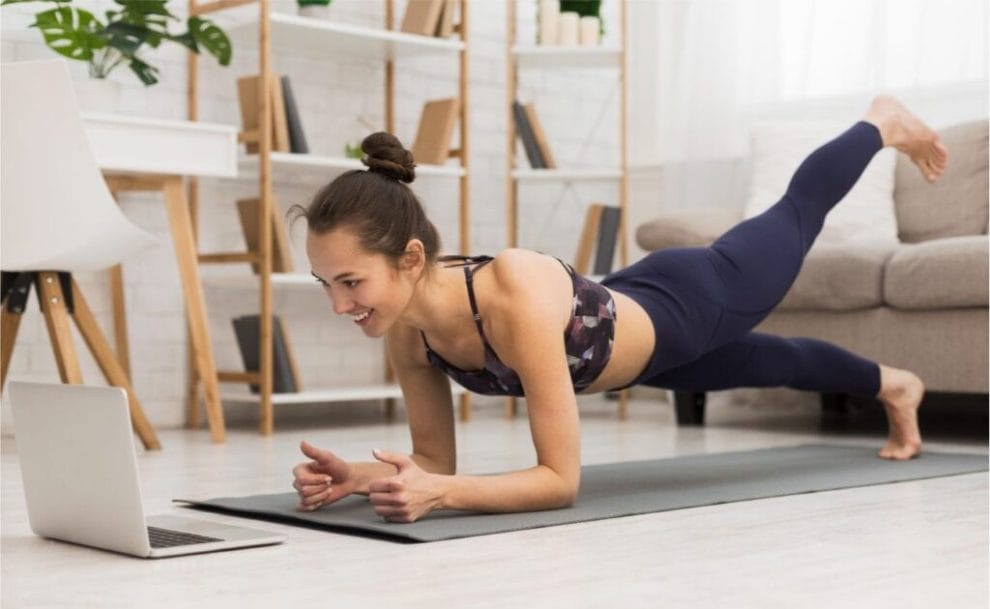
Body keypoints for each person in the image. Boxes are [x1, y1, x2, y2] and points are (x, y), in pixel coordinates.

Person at [290, 96, 949, 524]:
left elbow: (559, 480)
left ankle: (879, 122)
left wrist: (443, 495)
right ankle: (897, 382)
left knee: (795, 213)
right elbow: (434, 460)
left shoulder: (507, 294)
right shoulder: (409, 332)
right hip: (640, 332)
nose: (339, 304)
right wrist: (358, 478)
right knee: (773, 360)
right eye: (326, 284)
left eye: (350, 281)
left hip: (695, 297)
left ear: (408, 259)